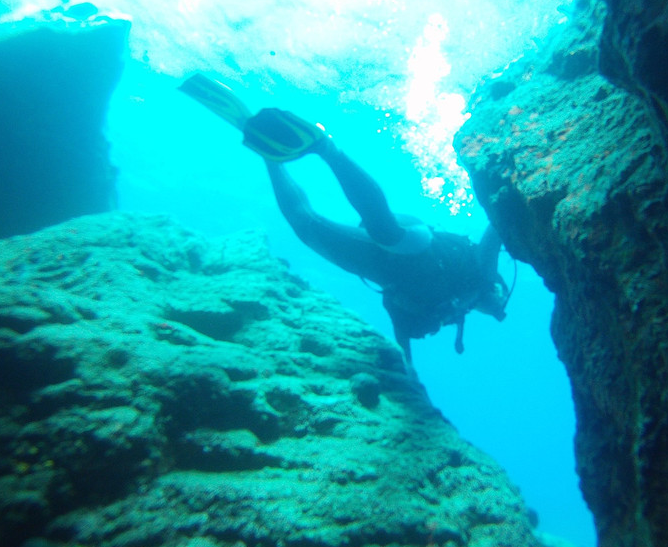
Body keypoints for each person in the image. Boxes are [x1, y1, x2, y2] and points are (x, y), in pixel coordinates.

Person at [180, 74, 509, 360]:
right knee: (389, 234)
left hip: (381, 267)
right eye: (499, 297)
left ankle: (270, 156)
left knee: (306, 227)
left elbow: (400, 335)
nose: (496, 307)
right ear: (497, 289)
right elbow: (495, 232)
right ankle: (327, 149)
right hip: (419, 242)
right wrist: (511, 194)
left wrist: (409, 375)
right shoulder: (482, 274)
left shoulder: (448, 312)